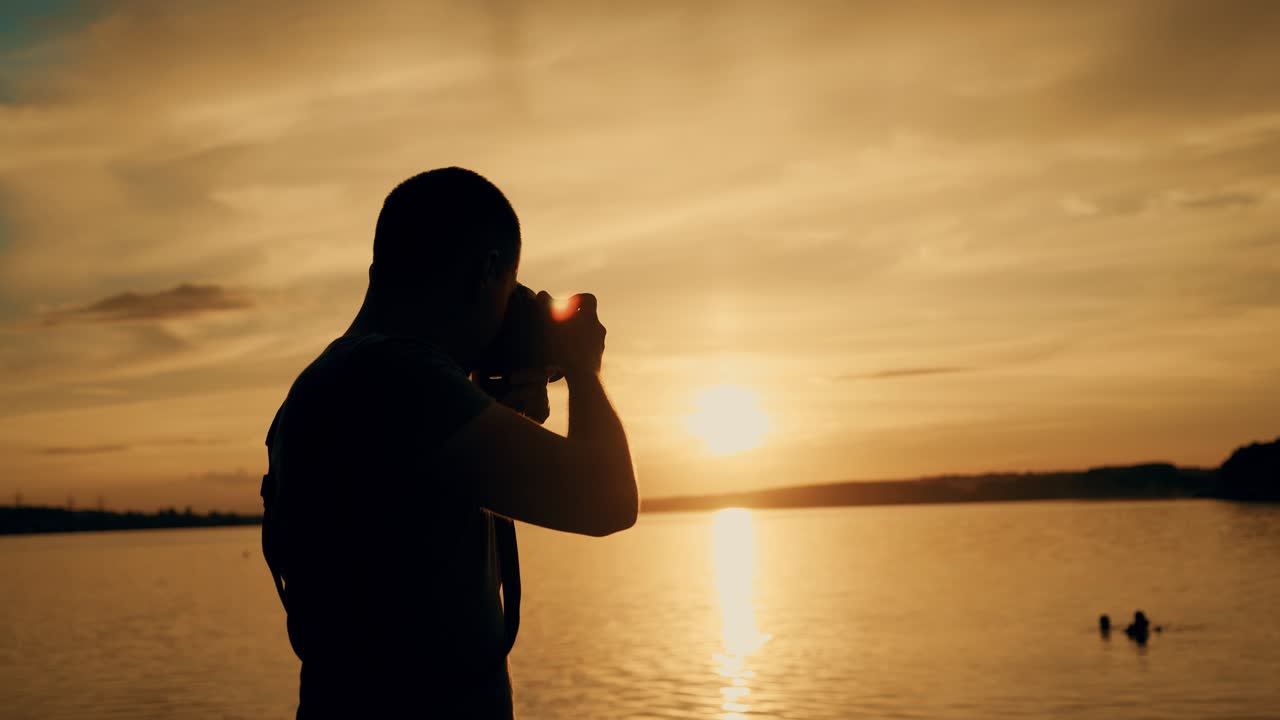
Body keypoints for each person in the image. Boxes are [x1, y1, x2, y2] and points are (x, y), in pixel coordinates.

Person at [260, 168, 638, 718]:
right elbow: (605, 501)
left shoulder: (337, 377)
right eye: (509, 287)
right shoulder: (394, 377)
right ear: (486, 270)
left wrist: (496, 408)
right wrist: (583, 368)